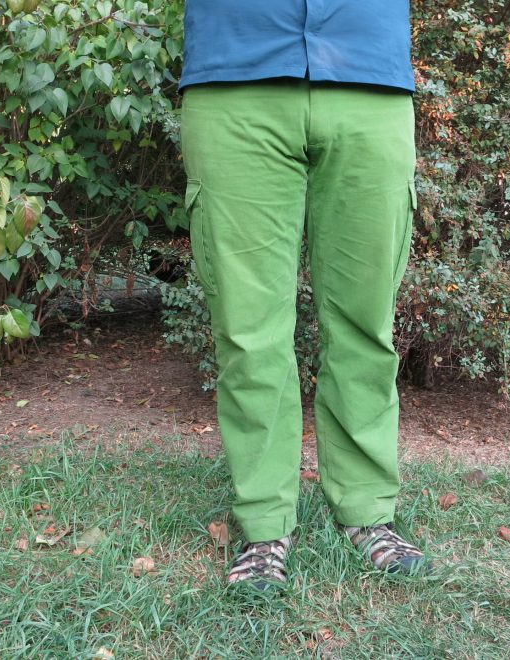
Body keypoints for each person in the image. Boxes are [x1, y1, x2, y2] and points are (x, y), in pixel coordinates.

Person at [178, 0, 430, 591]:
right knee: (249, 329)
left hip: (369, 78)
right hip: (234, 76)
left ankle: (367, 510)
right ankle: (265, 524)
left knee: (365, 323)